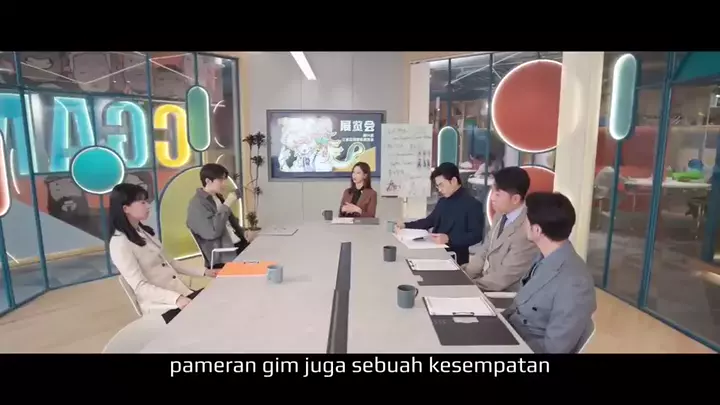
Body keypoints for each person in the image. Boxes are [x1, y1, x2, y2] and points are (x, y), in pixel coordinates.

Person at [108, 183, 216, 324]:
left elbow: (172, 263)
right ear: (125, 208)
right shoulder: (119, 243)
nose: (148, 206)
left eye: (147, 201)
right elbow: (140, 287)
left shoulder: (144, 232)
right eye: (142, 202)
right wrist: (176, 299)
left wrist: (206, 272)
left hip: (181, 294)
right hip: (164, 306)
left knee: (218, 300)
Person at [503, 192, 597, 353]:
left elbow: (554, 349)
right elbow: (519, 305)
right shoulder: (543, 257)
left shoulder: (575, 282)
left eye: (526, 220)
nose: (523, 224)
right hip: (509, 334)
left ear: (537, 230)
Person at [463, 167, 538, 291]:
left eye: (497, 194)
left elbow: (505, 277)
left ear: (515, 199)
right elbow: (485, 249)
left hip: (504, 294)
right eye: (492, 191)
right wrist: (464, 275)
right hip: (484, 284)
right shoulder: (500, 215)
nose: (492, 198)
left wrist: (469, 286)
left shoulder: (528, 229)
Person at [395, 162, 484, 265]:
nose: (440, 190)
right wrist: (405, 225)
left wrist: (449, 239)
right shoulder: (443, 201)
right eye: (438, 186)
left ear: (454, 181)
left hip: (455, 258)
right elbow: (429, 221)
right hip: (434, 251)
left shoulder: (472, 204)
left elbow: (476, 236)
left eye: (441, 185)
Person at [187, 163, 249, 268]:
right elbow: (213, 232)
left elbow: (230, 224)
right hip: (225, 254)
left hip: (238, 244)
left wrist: (244, 232)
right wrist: (227, 204)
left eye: (225, 180)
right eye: (221, 180)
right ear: (208, 181)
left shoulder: (217, 197)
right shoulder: (197, 205)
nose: (224, 184)